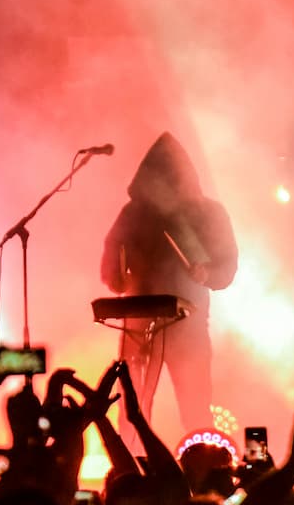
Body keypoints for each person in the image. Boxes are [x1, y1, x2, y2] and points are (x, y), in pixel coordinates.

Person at [100, 131, 238, 436]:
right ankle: (133, 475)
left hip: (187, 327)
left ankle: (200, 473)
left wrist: (209, 274)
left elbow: (227, 267)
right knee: (132, 409)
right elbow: (111, 260)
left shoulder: (209, 214)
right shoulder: (134, 214)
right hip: (139, 325)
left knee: (195, 408)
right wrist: (117, 275)